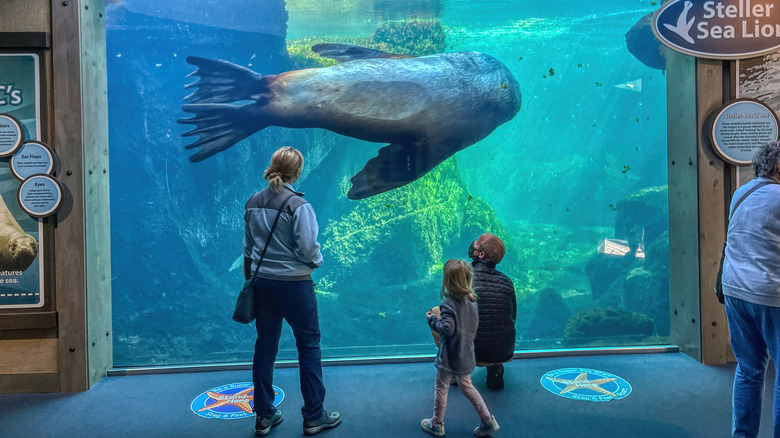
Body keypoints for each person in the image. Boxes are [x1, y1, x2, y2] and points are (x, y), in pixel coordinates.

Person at [243, 146, 341, 437]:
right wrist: (315, 263)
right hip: (295, 286)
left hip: (263, 284)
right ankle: (314, 416)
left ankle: (264, 416)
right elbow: (309, 249)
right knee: (308, 347)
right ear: (297, 173)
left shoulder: (252, 203)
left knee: (265, 347)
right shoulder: (299, 206)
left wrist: (254, 277)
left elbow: (248, 249)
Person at [722, 140, 780, 438]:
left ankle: (743, 435)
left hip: (735, 290)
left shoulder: (741, 193)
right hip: (771, 294)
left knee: (748, 369)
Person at [422, 259, 500, 437]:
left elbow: (447, 329)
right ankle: (487, 421)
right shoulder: (472, 300)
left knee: (441, 387)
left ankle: (437, 423)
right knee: (467, 387)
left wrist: (432, 319)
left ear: (448, 281)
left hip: (450, 357)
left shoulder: (448, 304)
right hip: (466, 354)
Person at [469, 233, 516, 389]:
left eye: (476, 244)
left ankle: (455, 370)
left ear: (481, 255)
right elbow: (512, 316)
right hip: (504, 351)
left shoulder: (464, 277)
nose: (473, 243)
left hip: (474, 352)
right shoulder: (507, 282)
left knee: (437, 313)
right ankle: (494, 368)